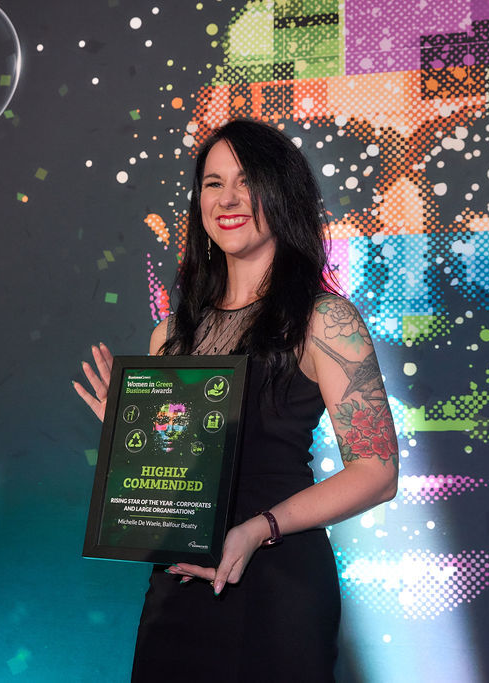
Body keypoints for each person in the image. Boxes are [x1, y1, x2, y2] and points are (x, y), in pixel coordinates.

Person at [73, 119, 398, 680]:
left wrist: (257, 529)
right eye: (213, 183)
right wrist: (133, 447)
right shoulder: (169, 335)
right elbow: (178, 482)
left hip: (276, 579)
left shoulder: (324, 320)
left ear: (282, 193)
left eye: (246, 182)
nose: (227, 199)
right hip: (181, 586)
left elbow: (377, 472)